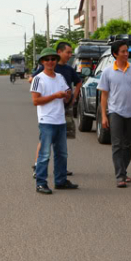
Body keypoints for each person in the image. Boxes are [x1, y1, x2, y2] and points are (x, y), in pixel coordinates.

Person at [30, 47, 79, 194]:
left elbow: (66, 94)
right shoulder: (38, 79)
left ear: (56, 61)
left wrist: (68, 95)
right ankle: (41, 183)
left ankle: (60, 180)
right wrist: (55, 96)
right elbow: (36, 101)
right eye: (47, 59)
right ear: (42, 62)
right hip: (46, 121)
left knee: (62, 153)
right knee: (45, 154)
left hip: (60, 120)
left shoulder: (60, 77)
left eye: (53, 59)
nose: (50, 62)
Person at [98, 40, 131, 188]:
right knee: (117, 144)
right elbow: (104, 96)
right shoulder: (107, 72)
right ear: (115, 54)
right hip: (115, 112)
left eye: (127, 51)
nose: (126, 54)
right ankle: (120, 176)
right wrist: (104, 116)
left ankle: (123, 170)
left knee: (128, 145)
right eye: (123, 51)